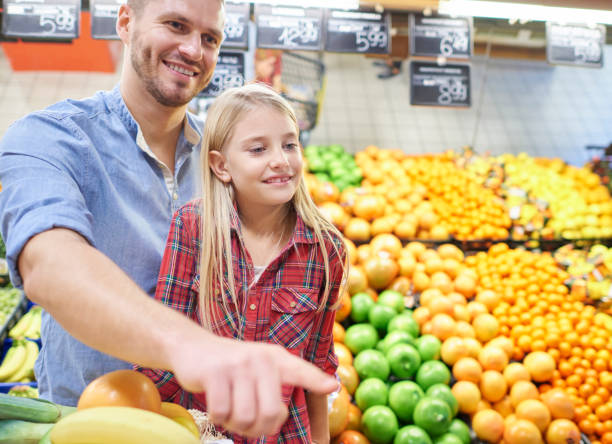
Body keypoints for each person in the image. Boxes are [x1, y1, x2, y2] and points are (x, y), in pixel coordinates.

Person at [0, 0, 338, 438]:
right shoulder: (49, 138)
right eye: (175, 25)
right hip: (87, 422)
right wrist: (194, 349)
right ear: (125, 21)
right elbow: (49, 264)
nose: (194, 50)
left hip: (203, 430)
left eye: (210, 38)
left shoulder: (234, 154)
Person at [137, 83, 348, 443]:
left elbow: (316, 364)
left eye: (290, 144)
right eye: (258, 149)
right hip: (202, 429)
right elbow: (164, 347)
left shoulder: (326, 250)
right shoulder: (193, 228)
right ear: (221, 166)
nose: (281, 160)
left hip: (282, 434)